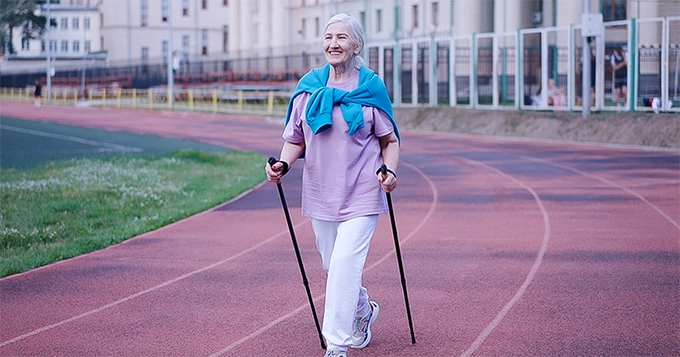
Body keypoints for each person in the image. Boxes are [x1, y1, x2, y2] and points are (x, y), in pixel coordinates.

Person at [265, 13, 400, 357]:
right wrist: (283, 163)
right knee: (331, 263)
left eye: (341, 37)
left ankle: (336, 346)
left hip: (363, 191)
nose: (333, 44)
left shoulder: (371, 87)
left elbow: (390, 140)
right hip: (321, 192)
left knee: (343, 265)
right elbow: (296, 139)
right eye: (328, 37)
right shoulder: (309, 87)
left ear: (356, 46)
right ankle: (362, 310)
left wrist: (390, 170)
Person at [610, 46, 627, 111]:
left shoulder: (625, 55)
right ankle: (618, 106)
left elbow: (627, 64)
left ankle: (626, 104)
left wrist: (624, 57)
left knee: (624, 91)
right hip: (617, 77)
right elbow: (614, 68)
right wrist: (621, 64)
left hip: (624, 76)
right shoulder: (613, 57)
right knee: (618, 92)